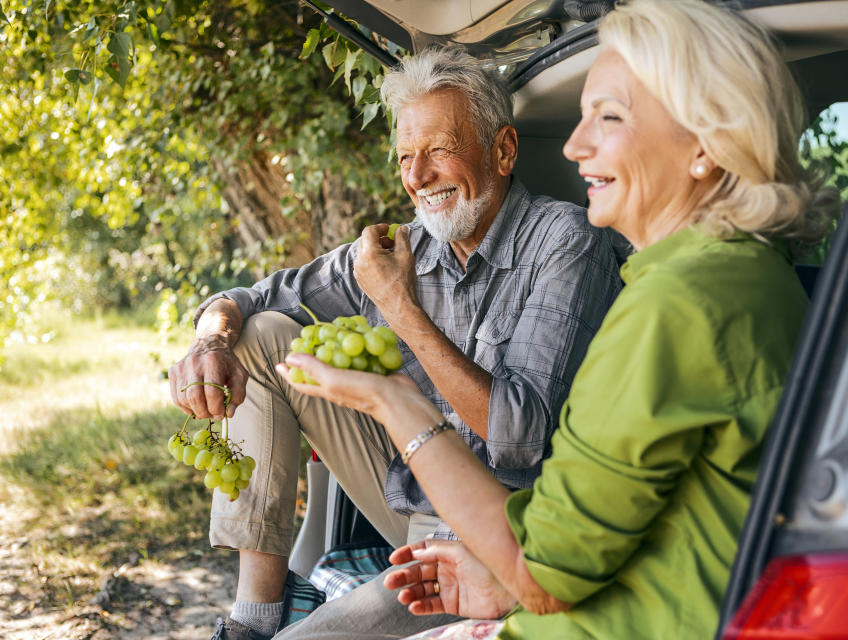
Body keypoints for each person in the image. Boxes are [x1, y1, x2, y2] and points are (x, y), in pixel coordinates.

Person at [276, 0, 838, 638]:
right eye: (583, 117)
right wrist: (498, 580)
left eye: (611, 117)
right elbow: (646, 527)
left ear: (705, 145)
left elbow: (539, 577)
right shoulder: (747, 273)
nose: (574, 145)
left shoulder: (677, 305)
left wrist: (396, 402)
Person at [168, 46, 622, 640]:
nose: (416, 177)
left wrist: (399, 307)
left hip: (502, 539)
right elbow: (252, 298)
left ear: (504, 150)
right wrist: (211, 339)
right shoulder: (402, 245)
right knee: (261, 337)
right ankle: (257, 614)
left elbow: (521, 433)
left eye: (438, 150)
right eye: (407, 157)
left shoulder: (564, 242)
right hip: (411, 504)